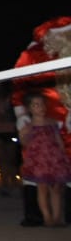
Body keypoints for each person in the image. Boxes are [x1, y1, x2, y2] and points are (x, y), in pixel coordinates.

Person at [18, 91, 71, 227]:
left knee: (57, 189)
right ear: (29, 109)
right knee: (42, 188)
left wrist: (63, 156)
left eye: (41, 104)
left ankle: (57, 217)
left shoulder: (52, 123)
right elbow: (24, 143)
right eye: (36, 105)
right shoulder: (28, 126)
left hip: (54, 160)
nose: (40, 107)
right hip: (39, 162)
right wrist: (25, 134)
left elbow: (59, 141)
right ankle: (47, 216)